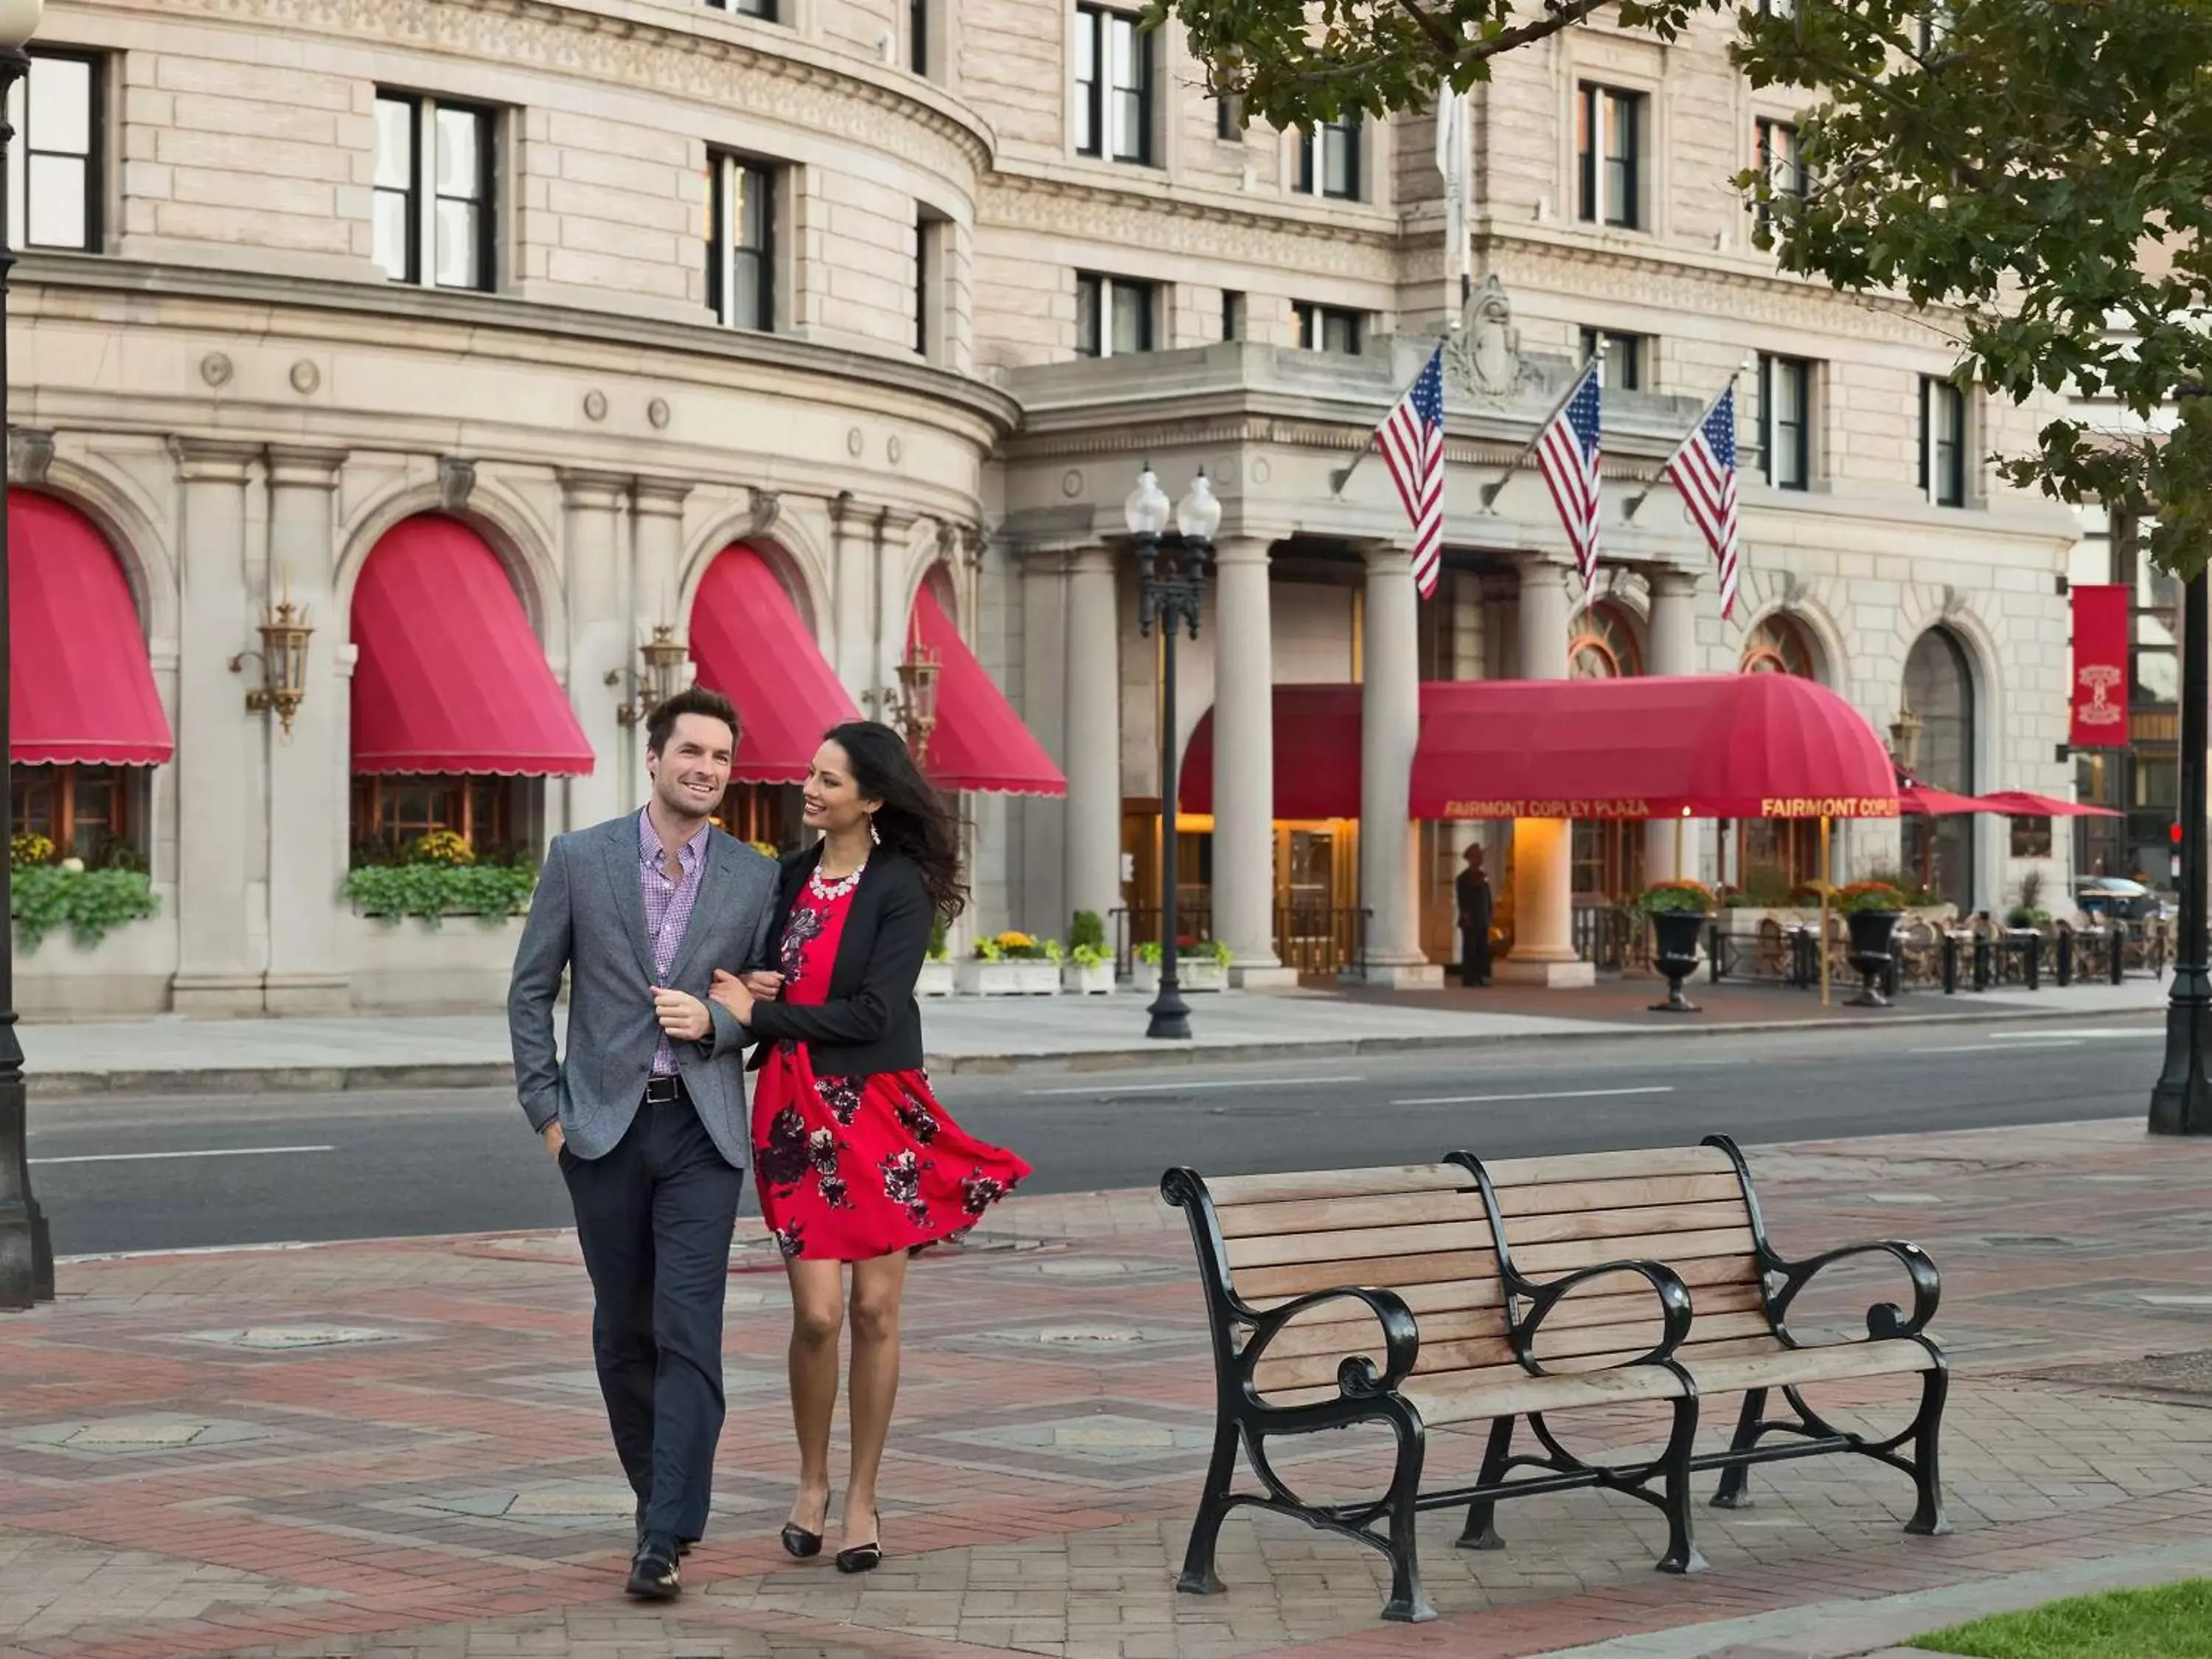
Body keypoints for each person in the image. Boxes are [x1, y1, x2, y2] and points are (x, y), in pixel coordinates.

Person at [706, 720, 1029, 1575]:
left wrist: (762, 1014)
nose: (809, 790)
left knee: (874, 1312)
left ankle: (859, 1497)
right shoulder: (785, 878)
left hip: (877, 1110)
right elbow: (743, 978)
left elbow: (874, 1016)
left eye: (830, 781)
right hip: (792, 1109)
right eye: (811, 775)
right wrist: (751, 992)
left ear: (873, 798)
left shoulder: (900, 887)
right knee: (816, 1314)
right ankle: (809, 1482)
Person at [507, 686, 782, 1603]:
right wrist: (550, 1117)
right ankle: (654, 1499)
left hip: (703, 1130)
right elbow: (530, 990)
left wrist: (719, 1020)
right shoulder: (580, 859)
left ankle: (666, 1534)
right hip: (605, 1132)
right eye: (692, 753)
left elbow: (766, 1006)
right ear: (656, 759)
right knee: (624, 1333)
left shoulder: (754, 876)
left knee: (688, 1330)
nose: (706, 770)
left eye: (721, 760)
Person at [1455, 844, 1494, 987]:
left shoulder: (1483, 876)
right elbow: (1463, 899)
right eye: (1477, 856)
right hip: (1470, 919)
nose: (1480, 859)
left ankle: (1478, 977)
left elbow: (1487, 898)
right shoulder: (1463, 878)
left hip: (1483, 919)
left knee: (1482, 949)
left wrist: (1489, 915)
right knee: (1470, 949)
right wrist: (1466, 916)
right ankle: (1468, 978)